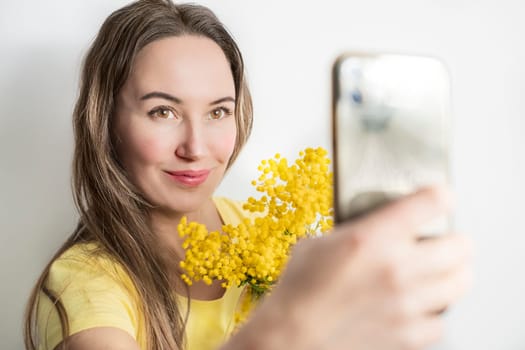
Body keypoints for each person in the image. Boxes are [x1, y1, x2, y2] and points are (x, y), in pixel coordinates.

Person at [24, 1, 472, 349]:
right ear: (106, 123)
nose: (195, 147)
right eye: (163, 111)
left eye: (218, 111)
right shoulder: (85, 281)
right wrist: (294, 323)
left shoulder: (276, 234)